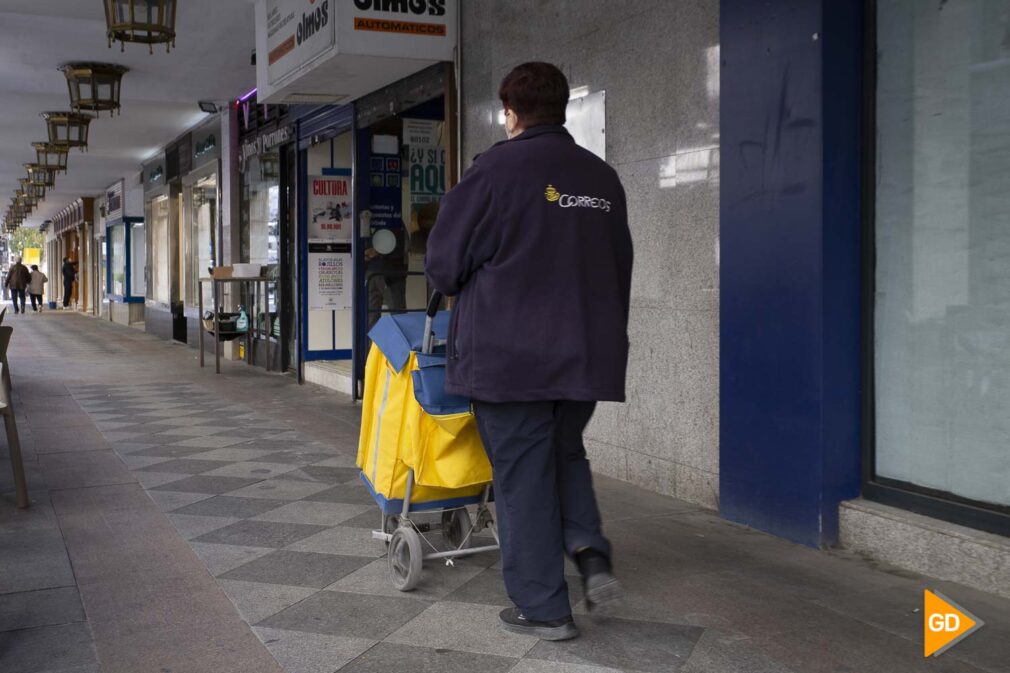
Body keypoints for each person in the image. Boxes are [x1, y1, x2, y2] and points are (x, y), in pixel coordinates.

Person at [426, 62, 634, 641]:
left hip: (510, 361)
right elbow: (619, 267)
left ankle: (544, 607)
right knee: (565, 457)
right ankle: (590, 552)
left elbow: (444, 267)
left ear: (511, 113)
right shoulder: (601, 178)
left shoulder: (493, 171)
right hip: (584, 357)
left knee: (522, 480)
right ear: (562, 109)